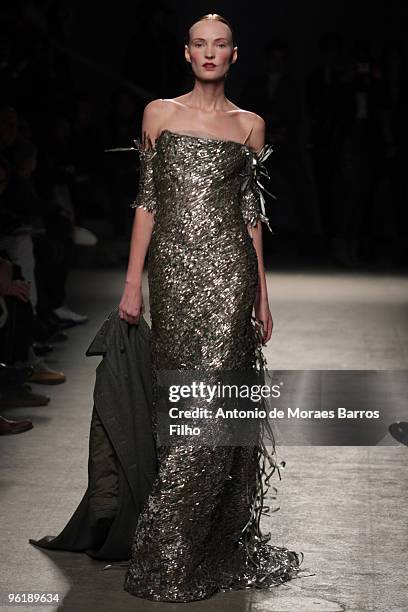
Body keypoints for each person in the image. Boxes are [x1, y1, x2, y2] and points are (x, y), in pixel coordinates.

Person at [118, 13, 302, 603]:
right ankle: (187, 540)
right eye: (200, 44)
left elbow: (252, 214)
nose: (209, 53)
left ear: (234, 54)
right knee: (179, 398)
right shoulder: (159, 114)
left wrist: (261, 292)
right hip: (171, 274)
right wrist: (132, 284)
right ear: (187, 53)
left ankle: (168, 545)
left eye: (219, 45)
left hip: (229, 276)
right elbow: (147, 202)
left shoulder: (250, 126)